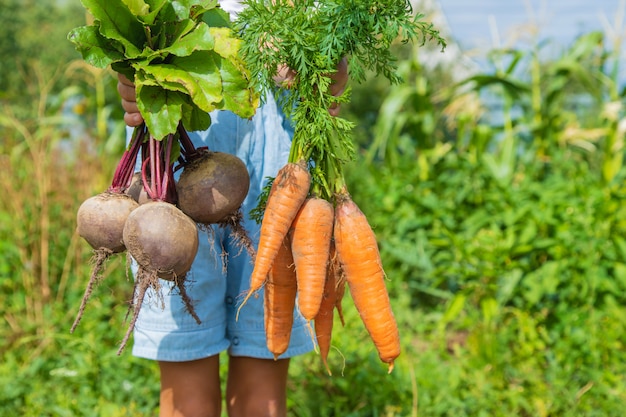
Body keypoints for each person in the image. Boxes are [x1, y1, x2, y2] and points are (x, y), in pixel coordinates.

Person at [116, 1, 349, 416]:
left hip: (282, 148)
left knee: (266, 359)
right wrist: (132, 76)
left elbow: (337, 54)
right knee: (184, 369)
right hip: (178, 127)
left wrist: (332, 70)